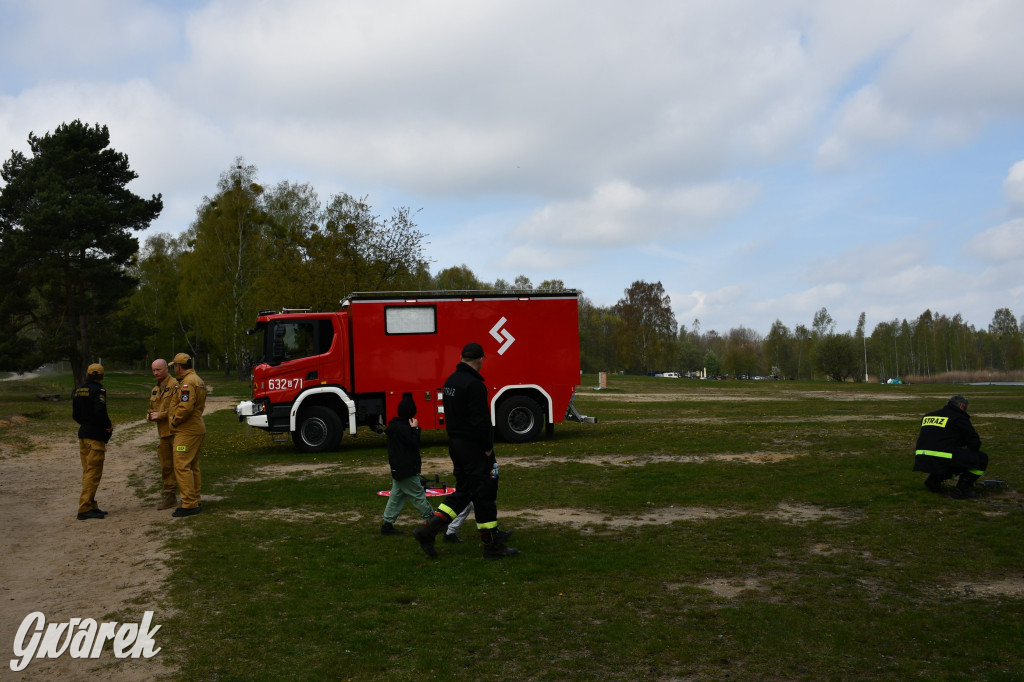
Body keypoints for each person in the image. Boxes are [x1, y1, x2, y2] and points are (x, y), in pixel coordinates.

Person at [414, 342, 518, 558]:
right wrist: (488, 447)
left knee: (464, 492)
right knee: (485, 494)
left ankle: (429, 529)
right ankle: (492, 546)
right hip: (475, 448)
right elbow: (481, 421)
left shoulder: (451, 381)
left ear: (462, 358)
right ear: (480, 359)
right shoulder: (474, 385)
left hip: (457, 445)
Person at [914, 394, 989, 499]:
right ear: (962, 406)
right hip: (942, 457)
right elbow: (975, 443)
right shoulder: (959, 417)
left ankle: (934, 480)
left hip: (922, 457)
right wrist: (965, 446)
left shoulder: (929, 416)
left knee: (951, 458)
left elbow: (940, 436)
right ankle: (962, 489)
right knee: (981, 459)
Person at [380, 395, 435, 535]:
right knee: (418, 495)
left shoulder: (395, 426)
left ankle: (387, 524)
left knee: (397, 496)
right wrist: (415, 429)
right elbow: (414, 443)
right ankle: (432, 521)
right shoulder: (404, 429)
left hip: (398, 468)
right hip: (406, 469)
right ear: (412, 412)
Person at [167, 352, 207, 517]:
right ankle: (194, 499)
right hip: (195, 429)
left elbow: (186, 406)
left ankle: (189, 504)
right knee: (192, 466)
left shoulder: (187, 383)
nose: (174, 369)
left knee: (182, 465)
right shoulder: (197, 380)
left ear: (178, 367)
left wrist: (175, 420)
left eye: (174, 366)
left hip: (187, 430)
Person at [72, 363, 112, 520]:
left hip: (83, 434)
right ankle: (84, 508)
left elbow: (75, 414)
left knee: (88, 471)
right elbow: (100, 411)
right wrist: (107, 426)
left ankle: (91, 504)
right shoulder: (99, 390)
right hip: (95, 436)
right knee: (93, 473)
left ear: (87, 375)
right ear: (102, 376)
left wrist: (86, 422)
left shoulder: (78, 390)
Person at [146, 358, 179, 510]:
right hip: (163, 434)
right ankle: (170, 496)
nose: (156, 373)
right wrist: (149, 415)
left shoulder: (175, 385)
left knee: (181, 465)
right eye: (153, 370)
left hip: (176, 432)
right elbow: (152, 407)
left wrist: (161, 415)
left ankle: (189, 496)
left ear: (167, 368)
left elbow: (178, 408)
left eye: (158, 369)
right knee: (165, 466)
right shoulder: (155, 389)